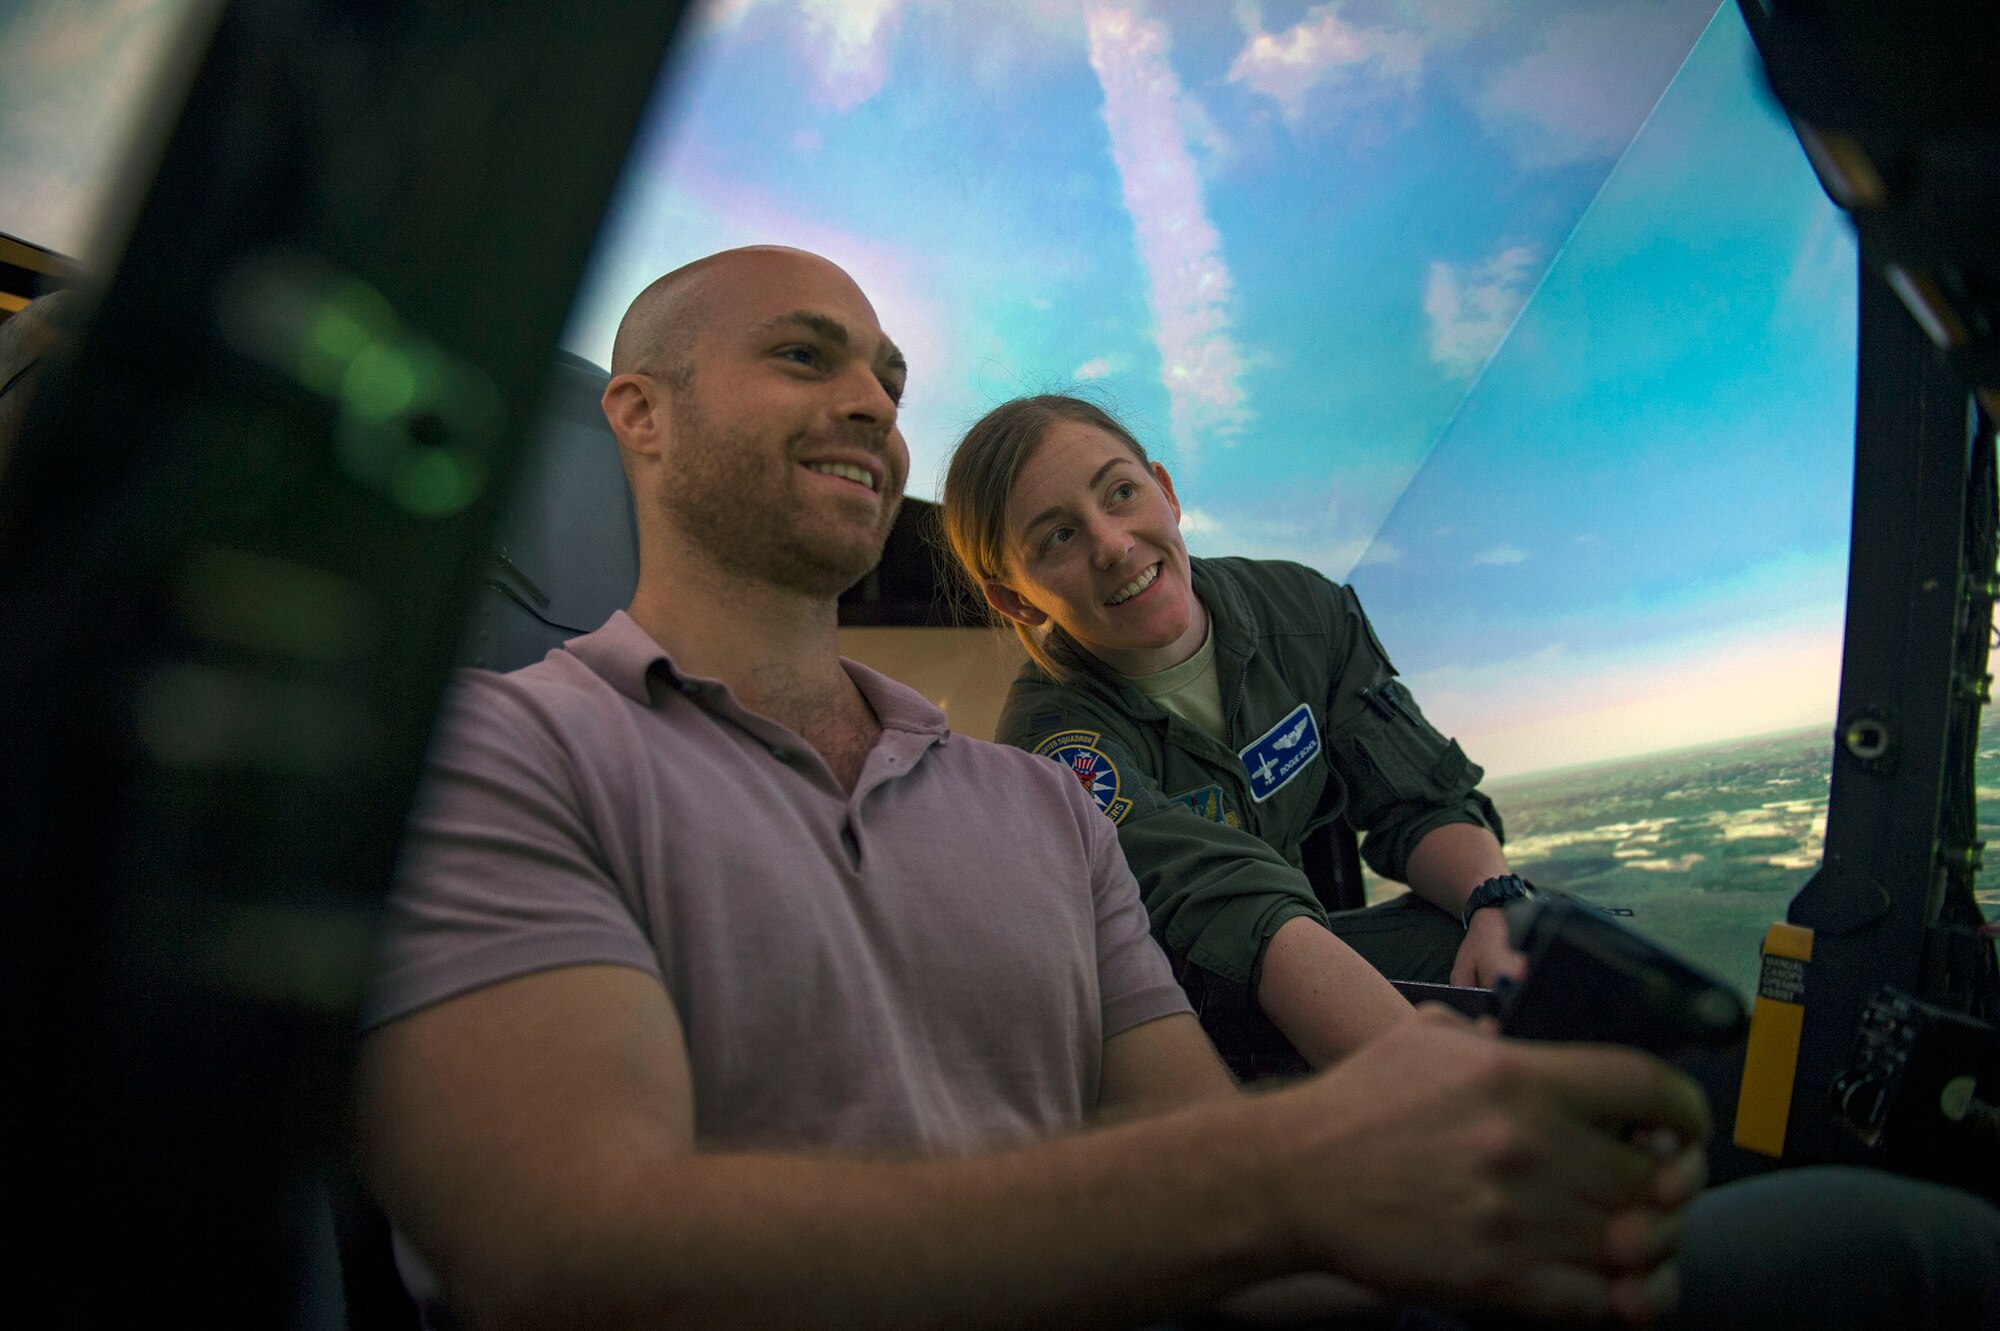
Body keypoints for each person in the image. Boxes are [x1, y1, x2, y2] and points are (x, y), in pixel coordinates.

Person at [354, 246, 1999, 1330]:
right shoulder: (497, 754)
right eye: (806, 356)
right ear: (634, 416)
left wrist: (1459, 1177)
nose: (871, 401)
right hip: (1245, 1130)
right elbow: (559, 1257)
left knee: (1886, 1253)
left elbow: (1208, 1168)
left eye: (886, 376)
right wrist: (1315, 1161)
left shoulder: (1028, 817)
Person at [941, 395, 1528, 1075]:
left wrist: (1494, 900)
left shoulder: (1303, 613)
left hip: (1304, 954)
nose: (1111, 543)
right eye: (1058, 538)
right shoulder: (1056, 744)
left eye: (1121, 493)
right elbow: (1226, 910)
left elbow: (1420, 798)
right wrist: (1444, 1091)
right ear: (1015, 598)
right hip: (1174, 1025)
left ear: (1166, 490)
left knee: (1551, 956)